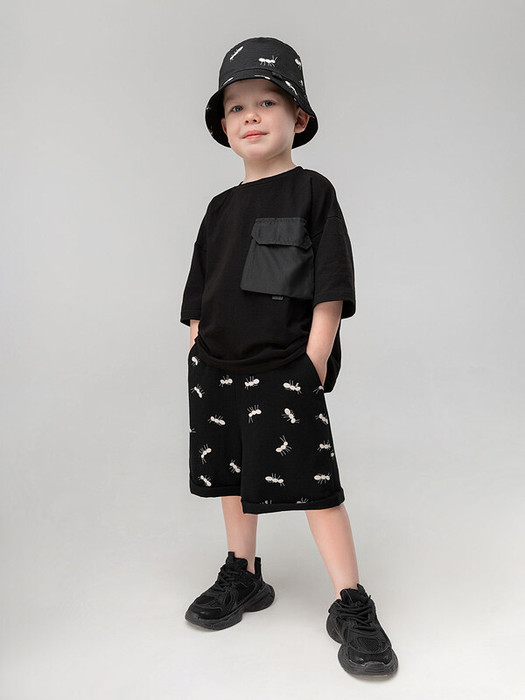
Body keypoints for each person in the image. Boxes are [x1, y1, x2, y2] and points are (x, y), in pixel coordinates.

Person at [180, 36, 398, 678]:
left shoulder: (312, 192)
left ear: (298, 117)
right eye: (236, 106)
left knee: (314, 486)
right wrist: (196, 350)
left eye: (267, 102)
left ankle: (351, 603)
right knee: (231, 476)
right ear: (224, 126)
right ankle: (242, 573)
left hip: (285, 368)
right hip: (217, 367)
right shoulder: (218, 209)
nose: (250, 115)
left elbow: (330, 284)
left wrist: (314, 360)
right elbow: (198, 291)